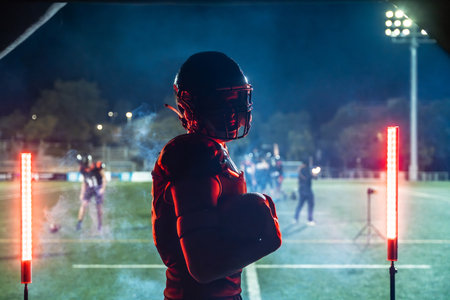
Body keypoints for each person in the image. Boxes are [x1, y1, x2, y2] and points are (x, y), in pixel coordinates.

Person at [151, 51, 282, 300]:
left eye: (237, 100)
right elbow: (203, 268)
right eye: (222, 102)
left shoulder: (212, 149)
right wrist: (265, 242)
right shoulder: (194, 153)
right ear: (190, 103)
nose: (233, 112)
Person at [76, 154, 106, 231]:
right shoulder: (83, 169)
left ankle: (100, 225)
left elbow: (104, 177)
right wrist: (82, 192)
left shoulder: (97, 166)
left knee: (98, 207)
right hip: (89, 187)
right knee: (83, 204)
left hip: (98, 187)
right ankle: (79, 223)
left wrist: (102, 188)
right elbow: (84, 181)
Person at [292, 159, 315, 226]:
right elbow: (308, 178)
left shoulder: (300, 170)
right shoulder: (306, 169)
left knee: (300, 205)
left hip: (302, 189)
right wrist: (313, 174)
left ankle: (295, 218)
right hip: (307, 190)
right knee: (310, 205)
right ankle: (309, 220)